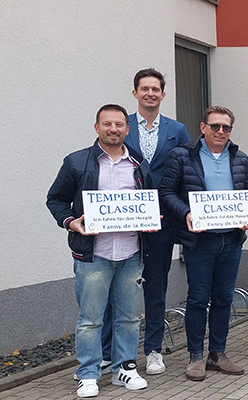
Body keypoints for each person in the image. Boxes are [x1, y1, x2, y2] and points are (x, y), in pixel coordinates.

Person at [46, 104, 151, 397]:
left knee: (129, 317)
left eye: (119, 124)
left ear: (127, 129)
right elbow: (55, 199)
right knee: (90, 320)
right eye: (107, 124)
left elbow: (148, 200)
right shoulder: (76, 162)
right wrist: (70, 222)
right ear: (97, 127)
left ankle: (124, 369)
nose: (113, 129)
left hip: (132, 253)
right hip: (93, 255)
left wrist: (150, 219)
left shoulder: (139, 164)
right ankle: (88, 373)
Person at [160, 106, 248, 381]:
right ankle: (195, 356)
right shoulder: (182, 156)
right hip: (200, 241)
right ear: (203, 127)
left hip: (231, 240)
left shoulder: (240, 158)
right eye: (215, 126)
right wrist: (186, 213)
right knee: (198, 299)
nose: (220, 131)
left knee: (224, 298)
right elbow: (166, 191)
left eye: (226, 127)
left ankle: (217, 354)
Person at [103, 68, 189, 375]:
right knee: (115, 287)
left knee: (156, 286)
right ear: (135, 93)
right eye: (144, 89)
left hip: (163, 220)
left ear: (163, 95)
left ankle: (153, 350)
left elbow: (186, 172)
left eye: (155, 89)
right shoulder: (121, 125)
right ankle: (107, 351)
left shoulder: (177, 129)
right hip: (126, 219)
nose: (150, 93)